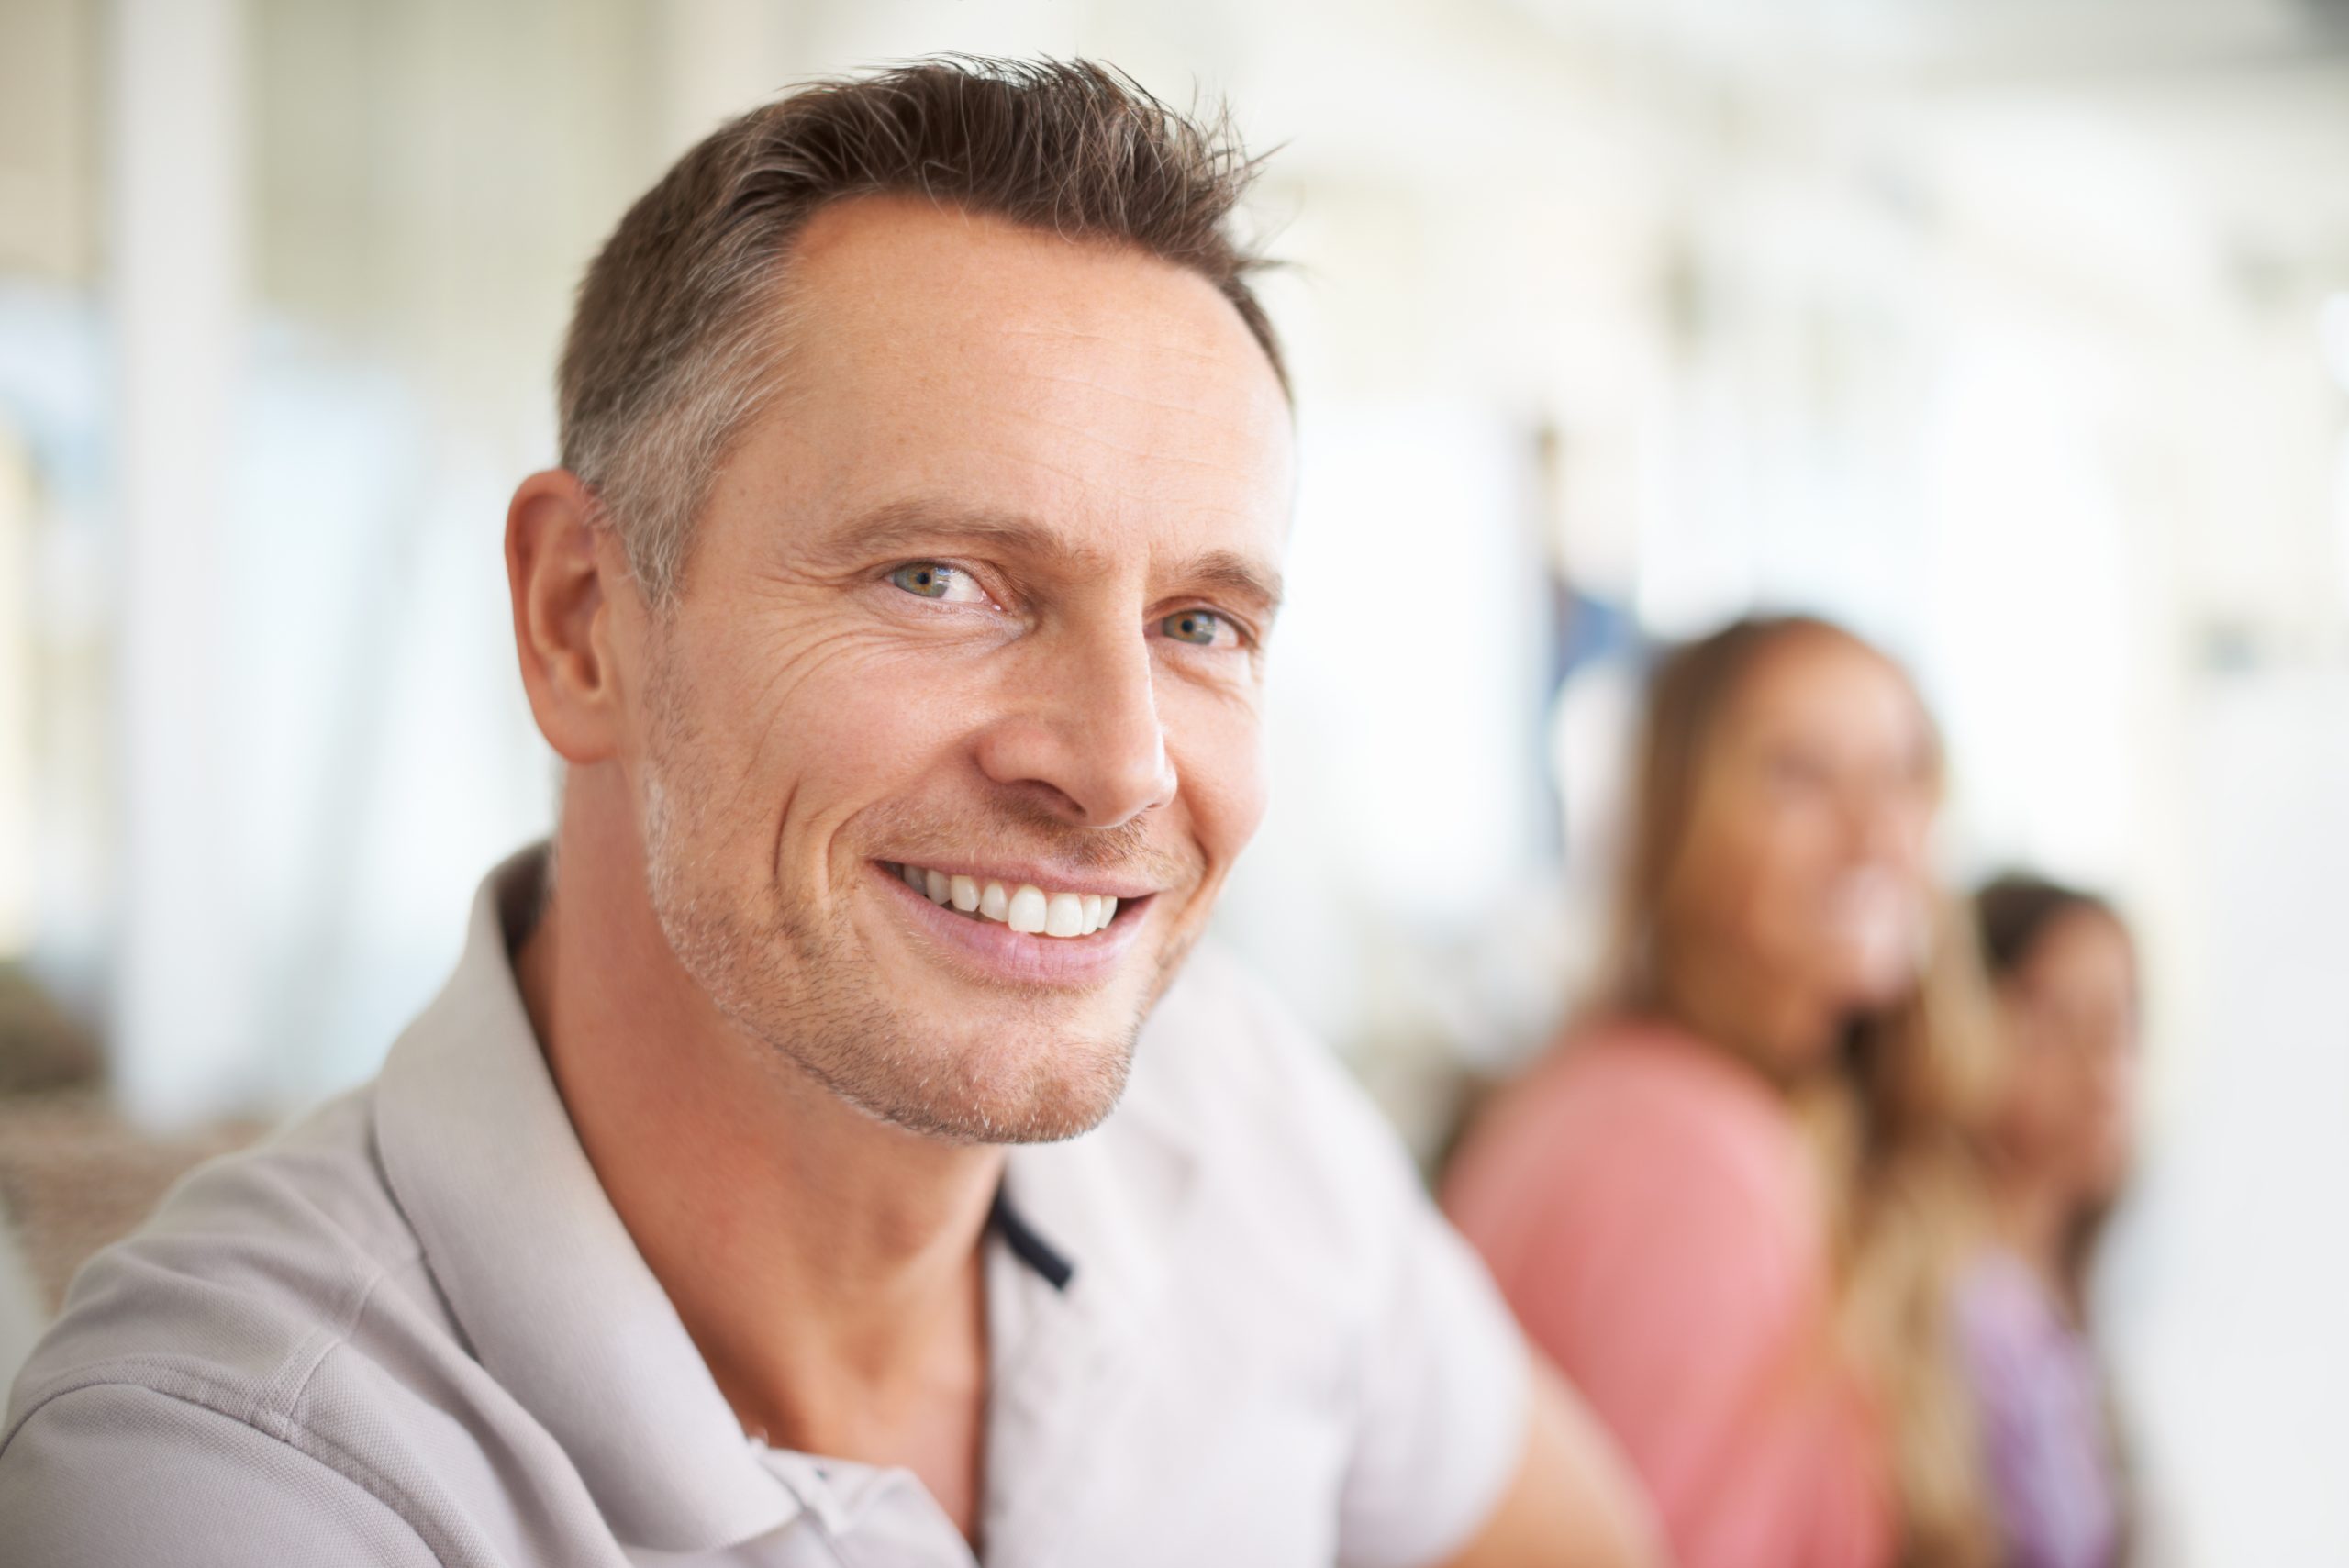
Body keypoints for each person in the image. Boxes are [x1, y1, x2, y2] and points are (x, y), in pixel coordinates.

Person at [0, 60, 1653, 1567]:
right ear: (584, 619)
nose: (1126, 763)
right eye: (941, 577)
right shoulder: (229, 1463)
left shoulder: (1235, 1110)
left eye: (1201, 621)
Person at [1445, 614, 2006, 1568]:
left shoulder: (1680, 1102)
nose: (1875, 833)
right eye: (1800, 776)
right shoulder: (1683, 1158)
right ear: (1680, 819)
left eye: (1904, 773)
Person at [1957, 874, 2137, 1568]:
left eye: (2121, 1025)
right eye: (2061, 1022)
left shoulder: (2063, 1302)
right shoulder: (1966, 1309)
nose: (2105, 1069)